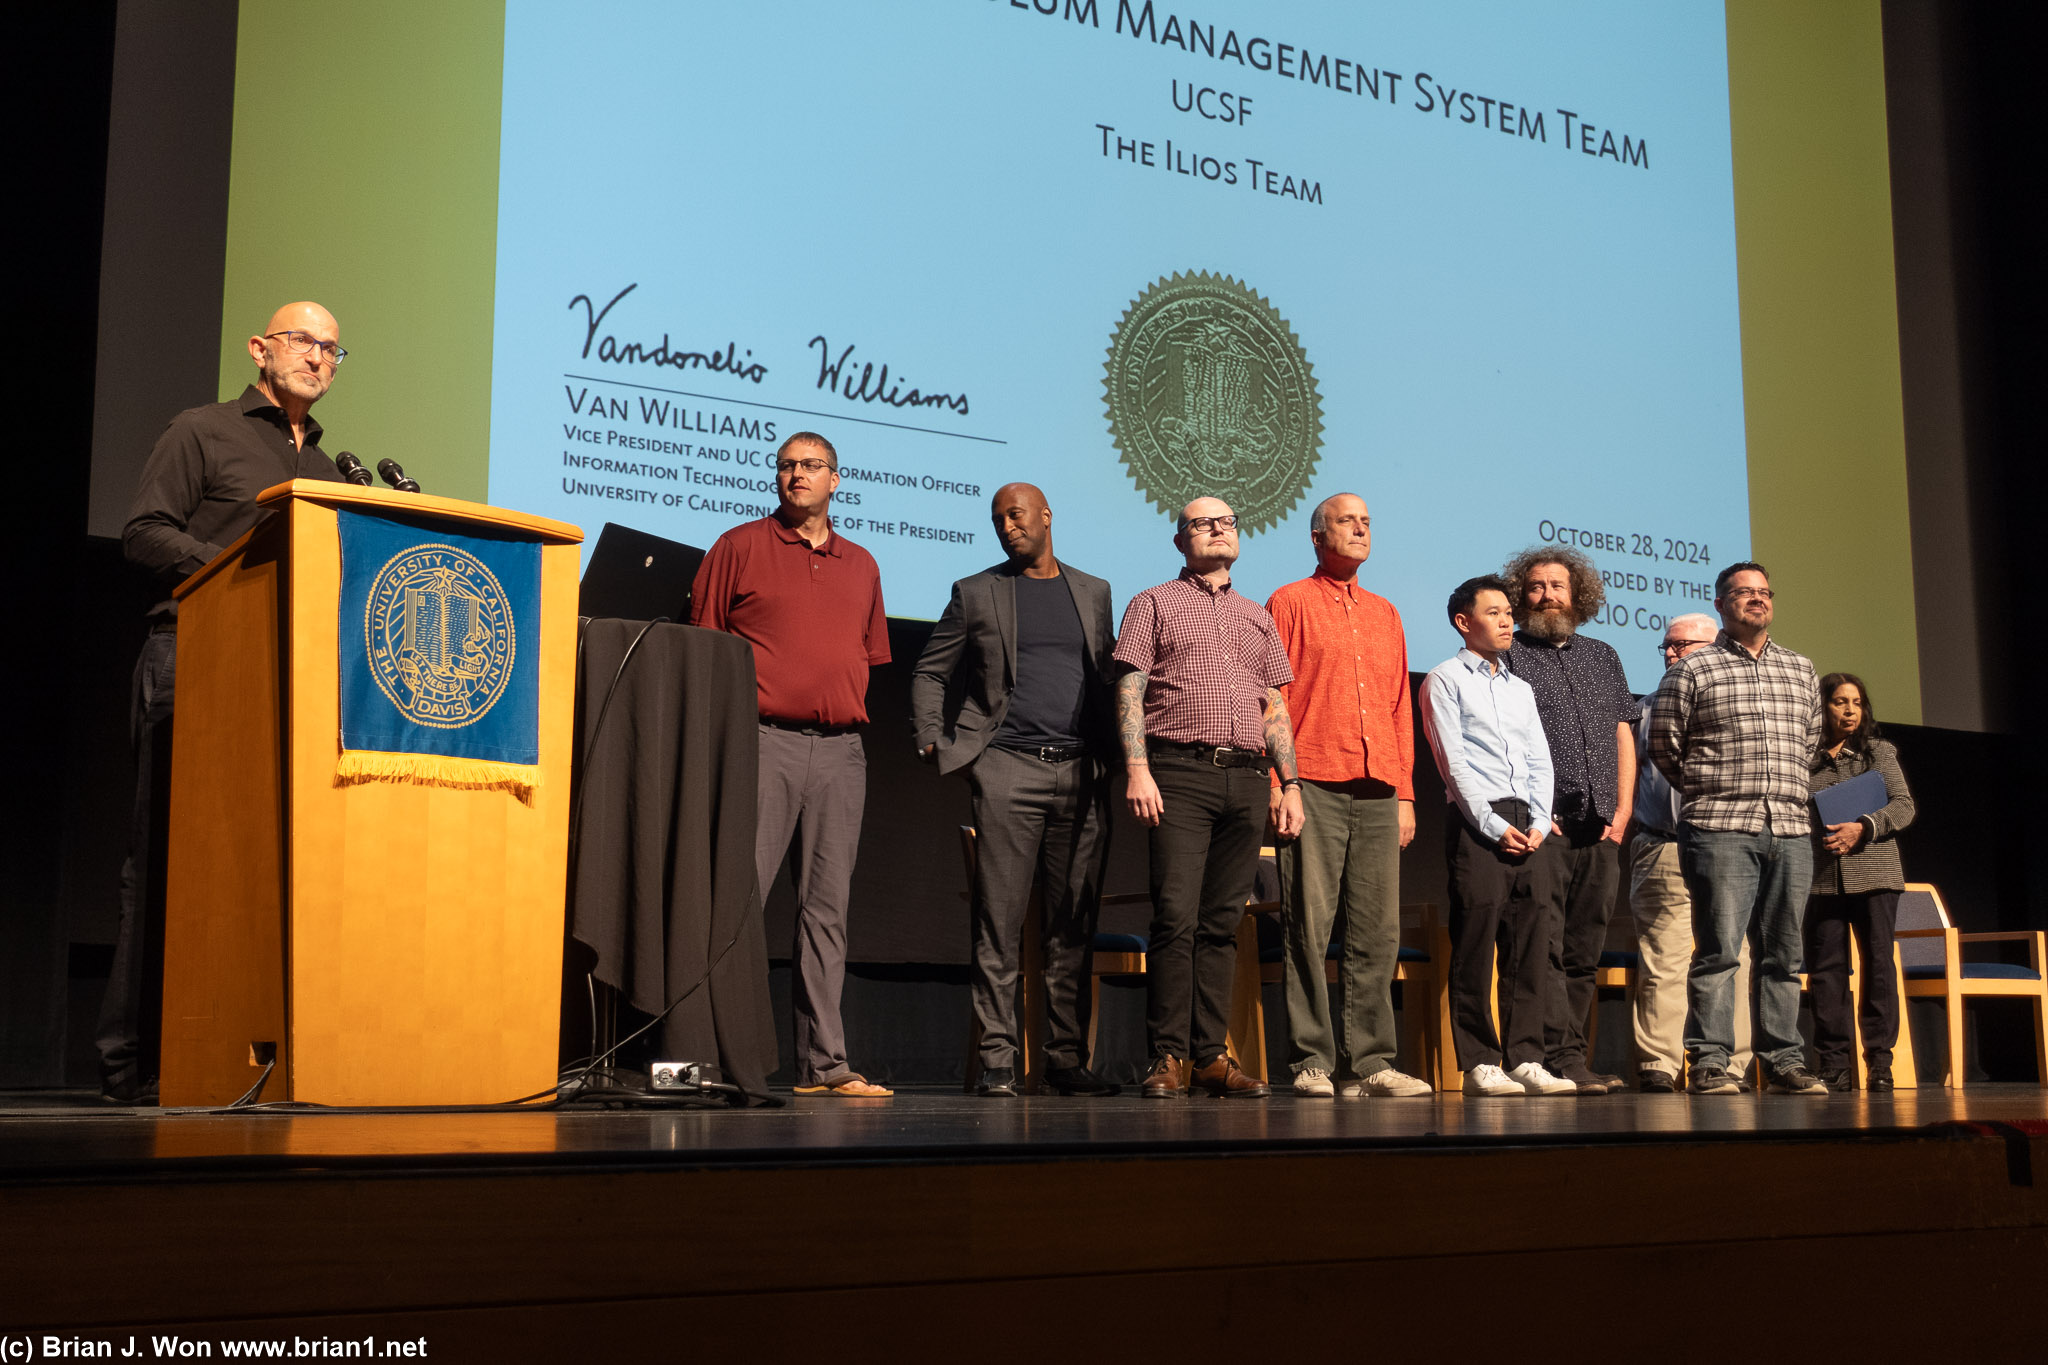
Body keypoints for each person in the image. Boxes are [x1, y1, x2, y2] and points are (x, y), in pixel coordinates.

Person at [102, 303, 350, 1105]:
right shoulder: (202, 430)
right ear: (260, 348)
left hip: (292, 677)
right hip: (196, 657)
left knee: (261, 864)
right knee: (169, 854)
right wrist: (228, 567)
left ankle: (233, 1046)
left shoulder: (332, 471)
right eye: (305, 341)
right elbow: (144, 530)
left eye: (333, 349)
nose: (319, 357)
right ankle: (129, 1058)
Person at [691, 432, 893, 1097]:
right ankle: (717, 1055)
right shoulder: (739, 546)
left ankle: (824, 1065)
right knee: (738, 898)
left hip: (840, 752)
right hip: (761, 741)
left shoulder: (861, 563)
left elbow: (865, 656)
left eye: (809, 466)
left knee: (826, 910)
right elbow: (706, 647)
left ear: (837, 479)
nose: (794, 475)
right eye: (785, 465)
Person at [909, 482, 1120, 1098]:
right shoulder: (977, 593)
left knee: (1071, 926)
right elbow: (930, 670)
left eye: (1017, 514)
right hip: (1006, 769)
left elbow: (1110, 679)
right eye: (998, 519)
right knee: (997, 925)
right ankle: (999, 1060)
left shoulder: (1095, 592)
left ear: (1048, 516)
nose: (1008, 526)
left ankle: (1064, 1059)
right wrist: (931, 736)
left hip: (1082, 774)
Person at [1112, 497, 1302, 1099]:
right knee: (1176, 917)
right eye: (1202, 522)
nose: (1218, 529)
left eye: (1227, 521)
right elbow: (1131, 691)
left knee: (1223, 924)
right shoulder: (1153, 603)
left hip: (1247, 778)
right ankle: (1167, 1056)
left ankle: (1210, 1055)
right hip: (1178, 771)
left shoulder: (1257, 615)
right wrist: (1138, 770)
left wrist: (1287, 783)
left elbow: (1274, 706)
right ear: (1180, 541)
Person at [1265, 493, 1429, 1098]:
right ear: (1316, 537)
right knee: (1309, 925)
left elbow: (1398, 709)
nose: (1360, 528)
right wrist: (1282, 781)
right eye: (1346, 521)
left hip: (1380, 785)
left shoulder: (1387, 613)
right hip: (1314, 781)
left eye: (1366, 521)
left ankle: (1373, 1062)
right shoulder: (1288, 601)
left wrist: (1407, 793)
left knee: (1377, 930)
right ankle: (1310, 1059)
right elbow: (1270, 700)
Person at [1649, 562, 1828, 1096]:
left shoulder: (1800, 669)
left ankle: (1783, 1060)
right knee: (1719, 950)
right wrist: (1712, 790)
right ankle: (1709, 1060)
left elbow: (1811, 744)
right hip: (1721, 827)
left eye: (1763, 592)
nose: (1756, 600)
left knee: (1783, 955)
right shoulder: (1693, 670)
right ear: (1721, 602)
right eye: (1743, 592)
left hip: (1790, 828)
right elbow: (1664, 746)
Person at [1422, 576, 1574, 1096]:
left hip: (1528, 823)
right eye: (1495, 612)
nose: (1509, 620)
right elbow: (1452, 762)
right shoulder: (1444, 679)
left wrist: (1537, 822)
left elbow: (1540, 759)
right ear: (1465, 622)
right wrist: (1491, 825)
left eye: (1510, 611)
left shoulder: (1519, 686)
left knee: (1531, 941)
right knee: (1475, 942)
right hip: (1477, 820)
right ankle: (1480, 1062)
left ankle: (1526, 1056)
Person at [1501, 546, 1637, 1096]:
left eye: (1557, 585)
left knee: (1584, 950)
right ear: (1520, 595)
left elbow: (1622, 732)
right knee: (1545, 946)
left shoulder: (1602, 655)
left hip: (1603, 824)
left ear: (1577, 595)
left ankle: (1572, 1057)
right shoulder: (1510, 655)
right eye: (1535, 586)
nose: (1547, 595)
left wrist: (1624, 811)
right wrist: (1537, 808)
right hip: (1547, 824)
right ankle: (1557, 1061)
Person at [1628, 613, 1754, 1093]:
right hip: (1665, 845)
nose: (1670, 654)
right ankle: (1659, 1063)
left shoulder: (1742, 705)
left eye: (1683, 646)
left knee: (1730, 957)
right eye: (1666, 646)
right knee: (1665, 957)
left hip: (1729, 850)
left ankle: (1729, 1064)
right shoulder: (1644, 709)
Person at [1806, 672, 1916, 1092]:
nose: (1850, 709)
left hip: (1875, 874)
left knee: (1878, 967)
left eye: (1856, 702)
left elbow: (1904, 807)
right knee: (1826, 972)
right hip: (1821, 878)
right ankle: (1834, 1063)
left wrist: (1864, 827)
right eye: (1839, 701)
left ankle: (1880, 1063)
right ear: (1823, 707)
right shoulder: (1804, 758)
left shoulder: (1878, 753)